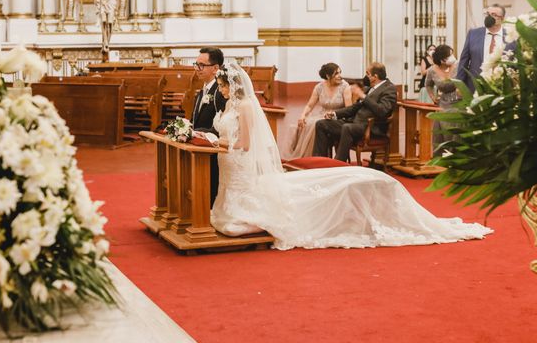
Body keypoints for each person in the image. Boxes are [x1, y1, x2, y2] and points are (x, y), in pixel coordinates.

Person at [209, 63, 492, 249]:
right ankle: (321, 160)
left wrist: (359, 96)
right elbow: (349, 109)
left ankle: (339, 163)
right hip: (350, 121)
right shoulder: (235, 104)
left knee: (341, 132)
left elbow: (378, 113)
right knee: (321, 125)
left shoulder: (383, 91)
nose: (221, 90)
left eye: (223, 86)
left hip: (366, 128)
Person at [313, 62, 397, 162]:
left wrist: (363, 97)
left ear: (375, 76)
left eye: (368, 73)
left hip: (369, 127)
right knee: (321, 124)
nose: (366, 76)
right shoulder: (370, 88)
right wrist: (335, 114)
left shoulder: (389, 89)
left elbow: (382, 111)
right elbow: (354, 108)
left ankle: (338, 163)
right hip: (354, 123)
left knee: (347, 128)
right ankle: (319, 161)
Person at [281, 63, 351, 160]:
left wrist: (335, 115)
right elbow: (310, 105)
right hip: (322, 115)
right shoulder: (319, 87)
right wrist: (302, 116)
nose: (340, 76)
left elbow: (349, 108)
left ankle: (315, 159)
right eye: (336, 74)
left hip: (337, 117)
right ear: (328, 76)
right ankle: (304, 158)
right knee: (300, 125)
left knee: (315, 124)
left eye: (340, 73)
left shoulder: (345, 86)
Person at [191, 47, 227, 207]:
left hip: (213, 152)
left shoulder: (221, 92)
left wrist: (201, 134)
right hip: (201, 150)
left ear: (215, 68)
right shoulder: (203, 90)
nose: (197, 69)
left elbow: (224, 124)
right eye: (196, 64)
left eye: (201, 65)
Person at [456, 4, 516, 93]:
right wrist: (459, 85)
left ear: (502, 19)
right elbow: (463, 61)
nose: (489, 17)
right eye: (488, 14)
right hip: (475, 85)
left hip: (502, 87)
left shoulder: (511, 37)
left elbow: (515, 63)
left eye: (494, 15)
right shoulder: (473, 34)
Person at [425, 44, 460, 155]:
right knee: (443, 131)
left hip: (459, 102)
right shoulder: (432, 70)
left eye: (452, 54)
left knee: (456, 128)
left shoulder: (458, 65)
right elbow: (428, 84)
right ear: (442, 59)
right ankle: (443, 157)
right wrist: (432, 96)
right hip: (444, 103)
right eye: (449, 55)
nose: (452, 57)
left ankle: (455, 154)